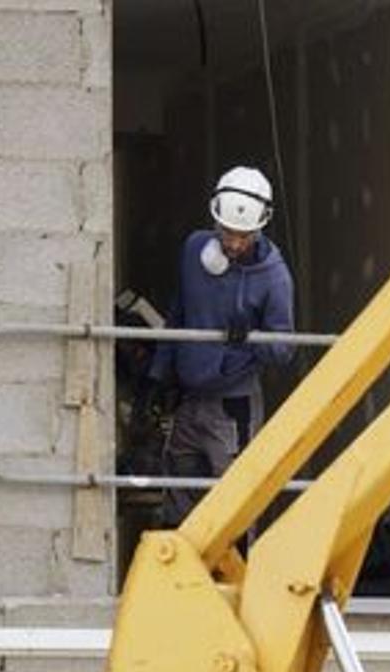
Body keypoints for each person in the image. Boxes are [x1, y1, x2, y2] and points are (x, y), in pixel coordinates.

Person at [147, 165, 296, 531]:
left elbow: (284, 349)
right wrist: (158, 376)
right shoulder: (195, 250)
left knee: (235, 503)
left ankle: (236, 580)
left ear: (260, 227)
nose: (233, 243)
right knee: (179, 494)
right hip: (189, 399)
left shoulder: (274, 278)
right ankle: (181, 580)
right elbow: (178, 311)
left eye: (243, 236)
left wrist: (250, 339)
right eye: (228, 232)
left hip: (233, 406)